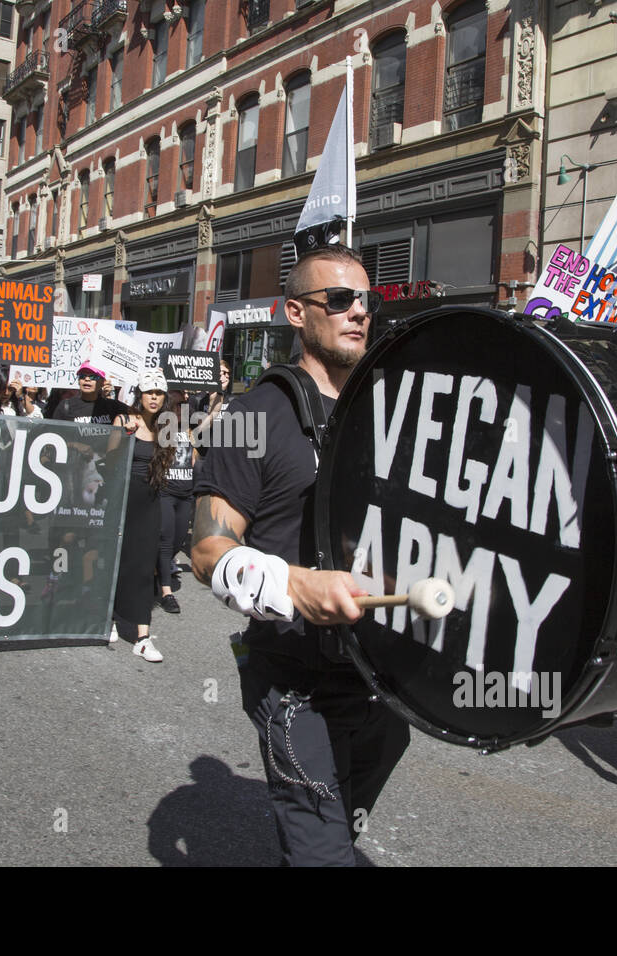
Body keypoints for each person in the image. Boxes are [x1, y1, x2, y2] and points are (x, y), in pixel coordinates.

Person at [192, 245, 407, 866]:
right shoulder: (250, 413)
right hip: (295, 681)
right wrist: (293, 584)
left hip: (381, 685)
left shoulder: (389, 410)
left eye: (366, 300)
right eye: (338, 300)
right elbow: (207, 547)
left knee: (333, 833)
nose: (358, 312)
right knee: (325, 852)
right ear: (295, 312)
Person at [110, 368, 175, 662]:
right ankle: (109, 619)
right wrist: (122, 438)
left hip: (150, 501)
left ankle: (143, 637)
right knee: (117, 560)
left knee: (144, 565)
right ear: (140, 393)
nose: (154, 398)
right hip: (123, 498)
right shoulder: (125, 420)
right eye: (150, 392)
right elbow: (107, 457)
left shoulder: (166, 427)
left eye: (159, 393)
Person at [156, 388, 196, 613]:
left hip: (185, 494)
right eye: (181, 404)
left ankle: (157, 570)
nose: (185, 408)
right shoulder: (161, 429)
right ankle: (166, 592)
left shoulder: (189, 430)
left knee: (178, 540)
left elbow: (193, 459)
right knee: (166, 538)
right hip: (166, 493)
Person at [51, 363, 128, 424]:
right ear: (78, 381)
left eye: (93, 377)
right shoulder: (66, 406)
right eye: (82, 376)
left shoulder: (113, 407)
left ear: (102, 382)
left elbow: (137, 416)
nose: (87, 379)